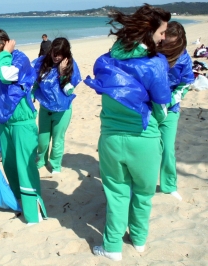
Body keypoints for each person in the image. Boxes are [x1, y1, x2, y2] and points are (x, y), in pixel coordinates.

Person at [84, 4, 171, 261]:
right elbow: (162, 109)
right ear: (149, 32)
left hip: (110, 139)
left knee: (117, 193)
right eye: (162, 32)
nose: (164, 37)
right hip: (144, 140)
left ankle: (112, 247)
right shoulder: (155, 64)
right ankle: (140, 240)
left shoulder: (106, 60)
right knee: (143, 194)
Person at [0, 28, 47, 225]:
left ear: (5, 42)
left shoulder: (18, 58)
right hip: (4, 124)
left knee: (25, 168)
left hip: (22, 124)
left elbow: (7, 76)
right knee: (10, 166)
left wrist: (5, 53)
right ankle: (20, 204)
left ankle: (34, 215)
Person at [157, 21, 194, 201]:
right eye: (165, 43)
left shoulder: (184, 58)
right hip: (149, 107)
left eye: (171, 44)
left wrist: (169, 101)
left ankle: (169, 185)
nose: (166, 47)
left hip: (171, 109)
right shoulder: (154, 51)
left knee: (167, 148)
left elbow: (185, 83)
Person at [32, 37, 82, 174]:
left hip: (62, 111)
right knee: (42, 139)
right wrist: (32, 94)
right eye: (54, 52)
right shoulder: (44, 62)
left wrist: (62, 74)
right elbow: (36, 80)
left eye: (60, 54)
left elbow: (69, 91)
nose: (56, 56)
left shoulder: (71, 66)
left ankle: (55, 165)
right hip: (45, 108)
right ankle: (41, 161)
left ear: (65, 54)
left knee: (57, 140)